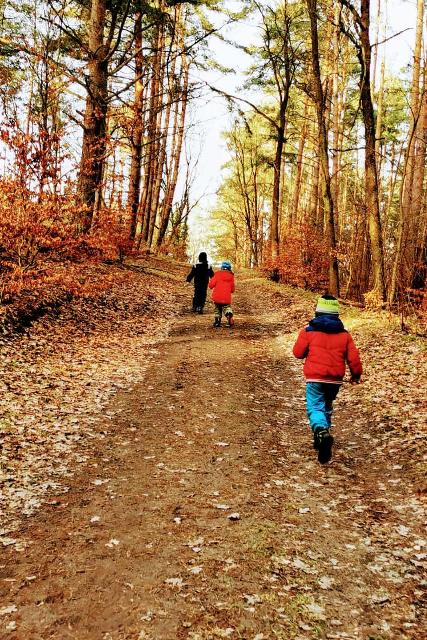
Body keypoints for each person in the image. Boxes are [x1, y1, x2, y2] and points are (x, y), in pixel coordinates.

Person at [292, 294, 362, 464]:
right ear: (337, 315)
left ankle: (321, 432)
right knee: (327, 405)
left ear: (317, 312)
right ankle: (323, 436)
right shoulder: (345, 335)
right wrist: (356, 374)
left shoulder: (308, 331)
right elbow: (353, 358)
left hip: (315, 377)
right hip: (335, 379)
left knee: (315, 406)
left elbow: (297, 353)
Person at [208, 260, 235, 328]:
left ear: (222, 268)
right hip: (226, 297)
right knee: (226, 307)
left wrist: (210, 285)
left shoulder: (217, 274)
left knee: (217, 308)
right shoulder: (231, 276)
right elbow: (232, 289)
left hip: (217, 296)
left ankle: (217, 322)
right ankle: (228, 314)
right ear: (229, 269)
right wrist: (231, 290)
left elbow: (211, 285)